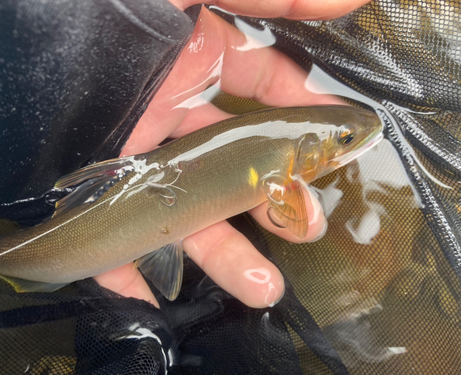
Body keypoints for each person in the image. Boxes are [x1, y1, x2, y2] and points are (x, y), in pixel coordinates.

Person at [94, 0, 371, 309]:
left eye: (345, 138)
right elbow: (293, 216)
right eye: (346, 139)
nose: (348, 142)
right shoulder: (285, 179)